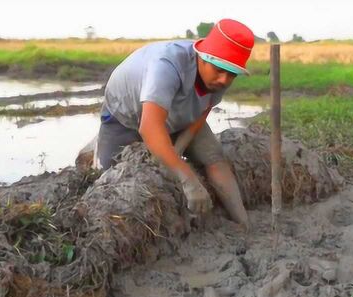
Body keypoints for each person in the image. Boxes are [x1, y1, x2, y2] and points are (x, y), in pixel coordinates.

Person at [95, 18, 254, 227]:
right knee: (110, 177)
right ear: (202, 58)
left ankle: (244, 223)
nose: (224, 80)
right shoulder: (166, 66)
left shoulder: (218, 79)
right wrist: (187, 179)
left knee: (214, 156)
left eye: (231, 74)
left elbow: (201, 114)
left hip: (177, 114)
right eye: (219, 70)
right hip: (126, 115)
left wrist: (177, 149)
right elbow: (149, 127)